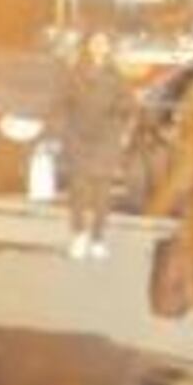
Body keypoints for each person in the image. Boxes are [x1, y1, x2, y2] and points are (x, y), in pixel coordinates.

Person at [60, 29, 133, 261]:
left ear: (109, 47)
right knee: (79, 191)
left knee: (102, 193)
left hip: (106, 140)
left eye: (103, 42)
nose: (99, 47)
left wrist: (120, 125)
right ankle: (79, 235)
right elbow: (62, 103)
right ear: (87, 45)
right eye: (95, 42)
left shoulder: (117, 76)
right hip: (78, 138)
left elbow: (128, 106)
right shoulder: (74, 72)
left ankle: (98, 239)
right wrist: (65, 132)